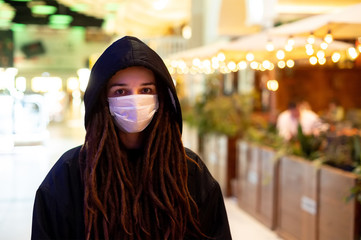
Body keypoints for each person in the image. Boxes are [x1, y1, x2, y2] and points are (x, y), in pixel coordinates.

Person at [31, 36, 232, 240]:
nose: (134, 100)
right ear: (102, 100)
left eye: (146, 90)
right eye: (121, 91)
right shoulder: (70, 174)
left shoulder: (188, 172)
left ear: (161, 97)